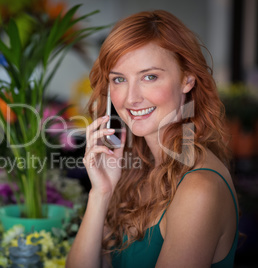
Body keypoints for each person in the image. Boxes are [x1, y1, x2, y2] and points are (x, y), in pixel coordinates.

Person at [66, 10, 239, 268]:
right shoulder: (133, 167)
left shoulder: (198, 188)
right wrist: (100, 194)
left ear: (187, 79)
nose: (131, 97)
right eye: (119, 79)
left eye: (150, 76)